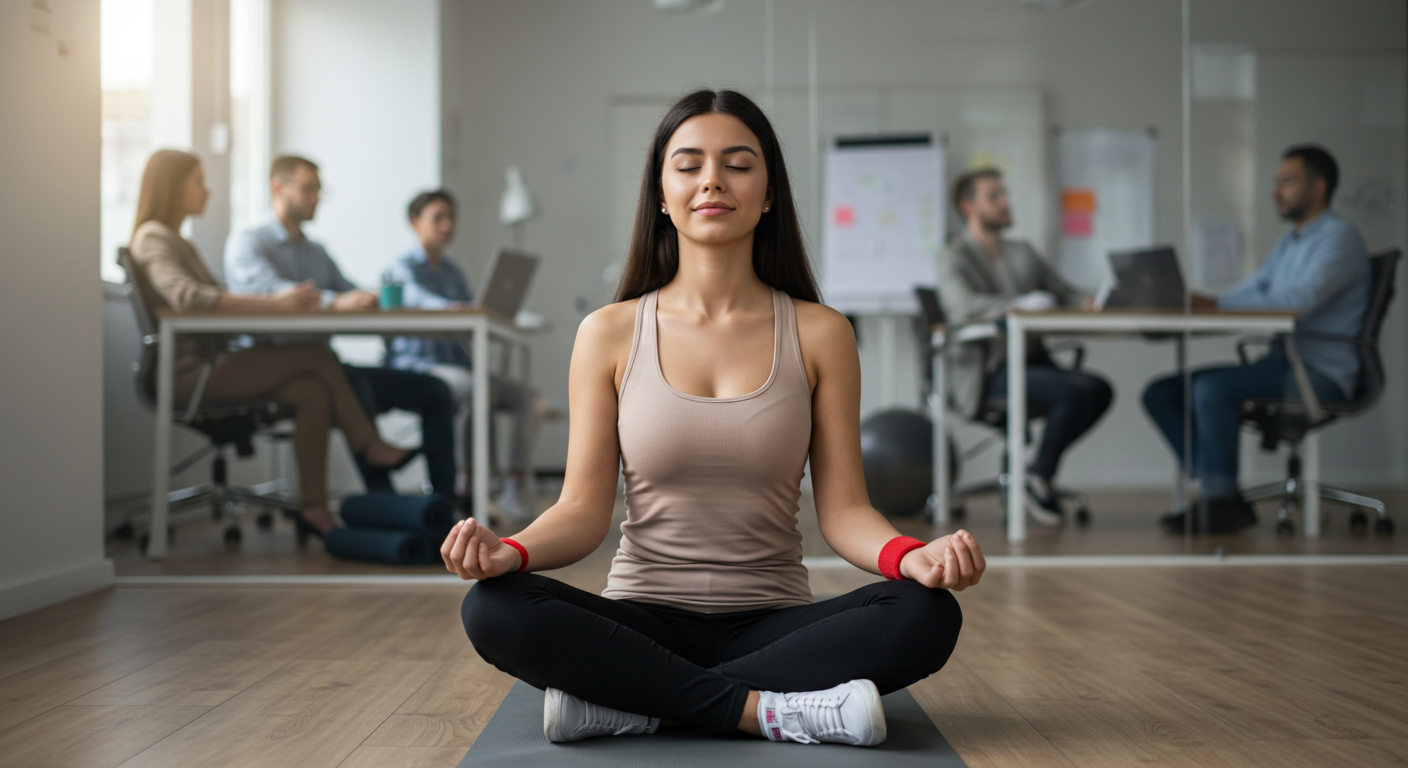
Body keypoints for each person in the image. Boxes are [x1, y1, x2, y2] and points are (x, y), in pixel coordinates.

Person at [442, 89, 984, 749]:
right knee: (495, 607)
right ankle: (768, 711)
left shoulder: (821, 333)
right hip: (641, 617)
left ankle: (634, 702)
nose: (712, 181)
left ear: (769, 193)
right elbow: (584, 510)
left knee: (925, 614)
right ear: (662, 196)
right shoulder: (609, 333)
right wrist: (512, 552)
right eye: (689, 164)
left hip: (775, 620)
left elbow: (843, 513)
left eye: (738, 163)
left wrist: (911, 555)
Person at [126, 149, 415, 536]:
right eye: (198, 180)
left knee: (312, 391)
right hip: (188, 372)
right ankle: (368, 443)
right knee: (315, 353)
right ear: (172, 185)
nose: (207, 190)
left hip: (215, 363)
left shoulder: (179, 241)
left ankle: (314, 506)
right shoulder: (153, 238)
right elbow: (188, 298)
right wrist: (272, 303)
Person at [1142, 144, 1370, 534]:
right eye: (1275, 182)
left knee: (1212, 389)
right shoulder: (1290, 243)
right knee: (1162, 393)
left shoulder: (1339, 238)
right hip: (1282, 363)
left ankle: (1220, 499)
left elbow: (1299, 300)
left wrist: (1213, 303)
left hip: (1318, 372)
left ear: (1319, 187)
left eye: (1287, 181)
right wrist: (1204, 301)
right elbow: (1252, 292)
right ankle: (1217, 487)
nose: (1276, 191)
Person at [223, 156, 457, 501]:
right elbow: (270, 293)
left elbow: (348, 290)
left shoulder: (316, 252)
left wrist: (371, 297)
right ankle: (388, 509)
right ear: (278, 188)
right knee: (355, 385)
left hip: (327, 365)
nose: (315, 197)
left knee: (435, 390)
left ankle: (444, 506)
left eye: (319, 190)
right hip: (276, 369)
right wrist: (334, 302)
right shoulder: (249, 241)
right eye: (308, 189)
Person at [935, 168, 1114, 526]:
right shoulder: (953, 255)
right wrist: (1019, 303)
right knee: (1071, 391)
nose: (1005, 202)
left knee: (1098, 390)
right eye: (994, 196)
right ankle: (1037, 478)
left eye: (1005, 194)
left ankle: (1036, 473)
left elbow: (1063, 291)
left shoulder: (1023, 252)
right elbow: (962, 305)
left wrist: (1092, 301)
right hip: (988, 371)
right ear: (969, 207)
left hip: (1033, 361)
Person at [383, 189, 544, 521]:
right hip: (421, 366)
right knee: (475, 389)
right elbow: (418, 300)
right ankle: (466, 487)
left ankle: (515, 486)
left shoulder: (454, 272)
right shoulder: (401, 267)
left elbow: (476, 314)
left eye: (451, 218)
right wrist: (454, 309)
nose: (446, 225)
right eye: (437, 218)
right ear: (415, 221)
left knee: (528, 399)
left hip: (459, 365)